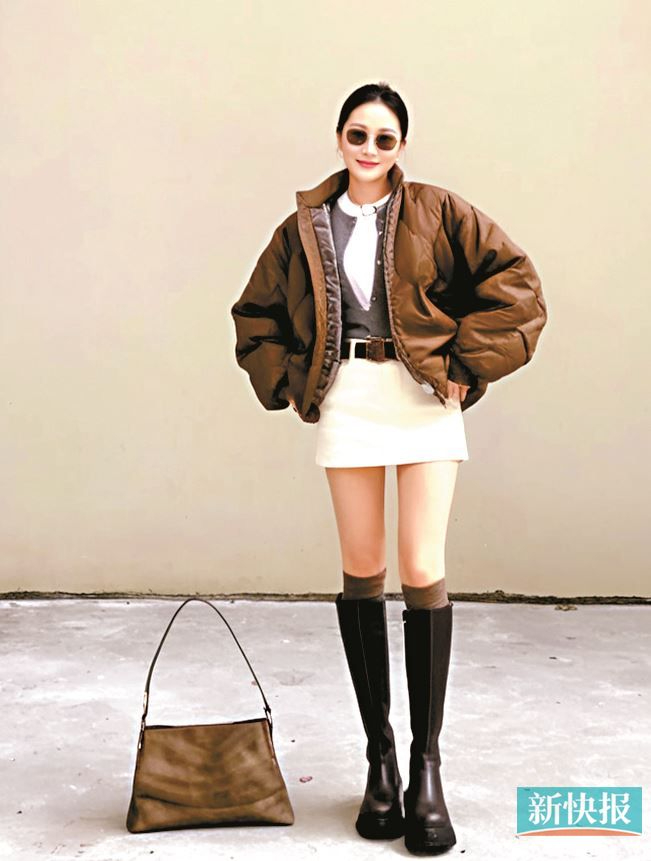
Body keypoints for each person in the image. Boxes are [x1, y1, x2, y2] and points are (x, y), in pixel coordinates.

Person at [230, 81, 547, 855]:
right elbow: (255, 315)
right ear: (339, 138)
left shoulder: (438, 210)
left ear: (401, 146)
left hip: (422, 397)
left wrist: (463, 365)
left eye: (383, 138)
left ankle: (424, 766)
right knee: (363, 566)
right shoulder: (303, 227)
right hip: (348, 399)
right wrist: (295, 382)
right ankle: (379, 760)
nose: (369, 149)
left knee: (422, 565)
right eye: (357, 134)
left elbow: (516, 287)